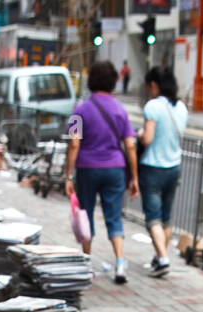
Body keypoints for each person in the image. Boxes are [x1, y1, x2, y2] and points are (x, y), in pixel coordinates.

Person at [63, 60, 138, 285]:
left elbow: (74, 144)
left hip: (87, 168)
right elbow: (130, 145)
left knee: (85, 213)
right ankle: (120, 262)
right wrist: (134, 177)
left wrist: (67, 175)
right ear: (114, 82)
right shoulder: (120, 110)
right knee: (114, 216)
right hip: (115, 168)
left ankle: (86, 262)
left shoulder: (80, 110)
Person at [138, 66, 188, 278]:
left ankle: (163, 258)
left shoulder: (153, 106)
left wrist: (140, 134)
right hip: (174, 167)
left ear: (155, 85)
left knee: (153, 218)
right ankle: (160, 257)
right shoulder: (182, 108)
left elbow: (147, 138)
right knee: (166, 218)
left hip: (153, 168)